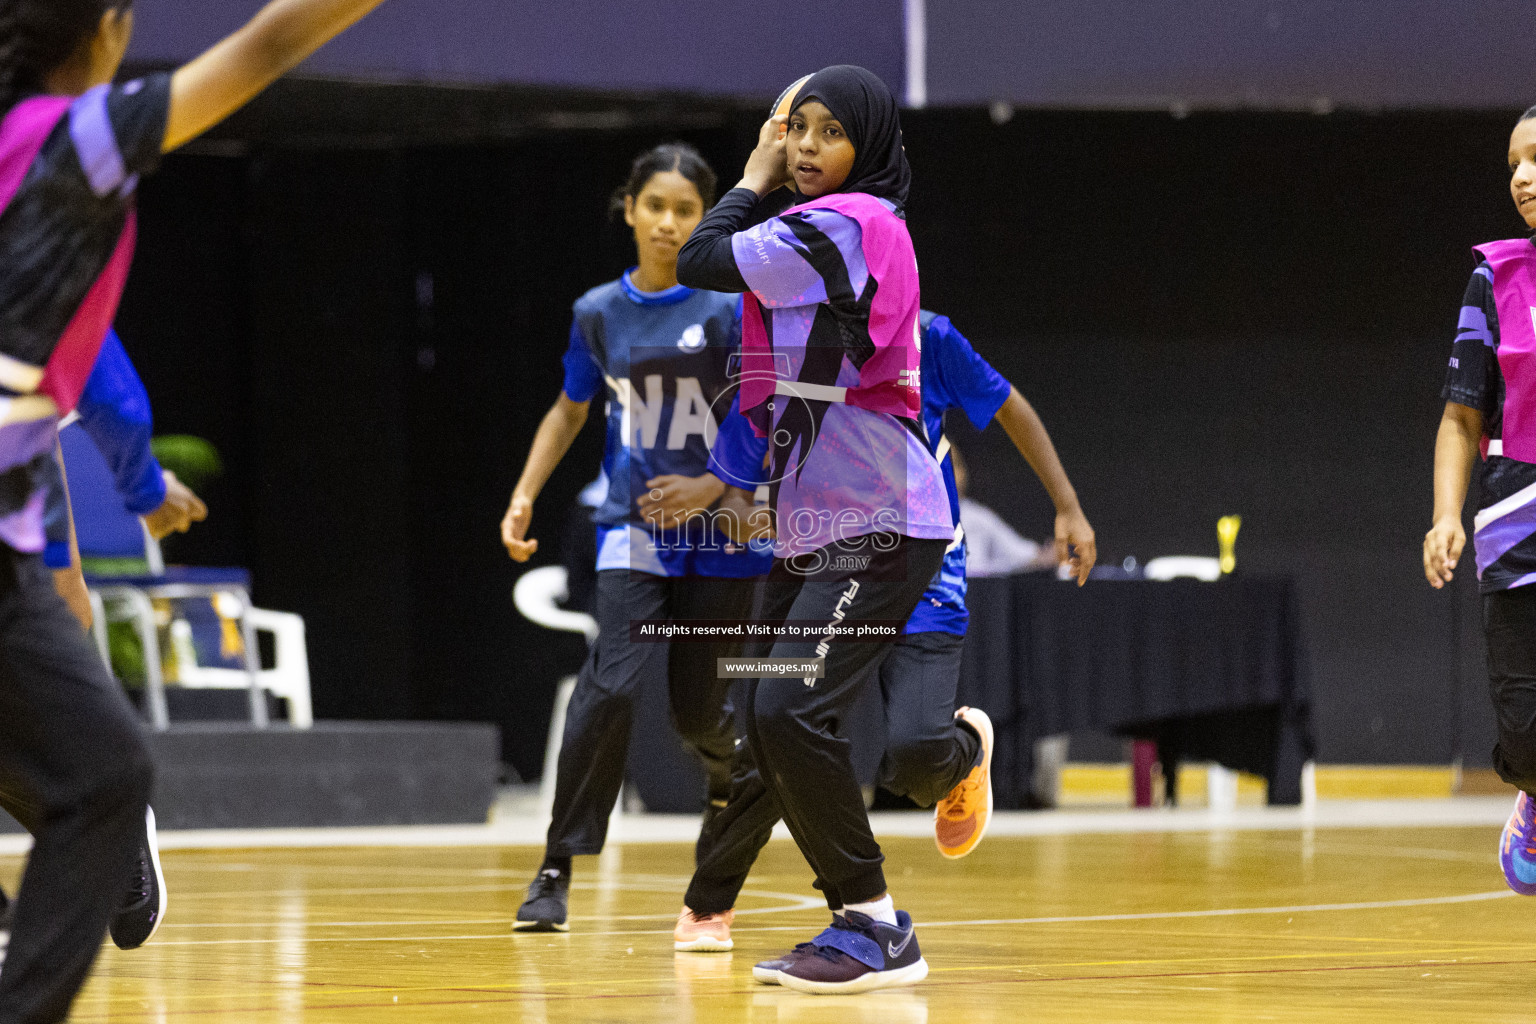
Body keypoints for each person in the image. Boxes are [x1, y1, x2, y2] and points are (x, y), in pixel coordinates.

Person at [0, 1, 389, 1018]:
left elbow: (96, 382)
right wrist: (136, 487)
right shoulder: (80, 138)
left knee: (86, 742)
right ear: (110, 31)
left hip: (17, 486)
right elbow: (265, 43)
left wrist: (131, 488)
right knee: (101, 768)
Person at [674, 310, 1097, 971]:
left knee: (914, 759)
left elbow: (1010, 405)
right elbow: (738, 474)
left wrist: (1067, 504)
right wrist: (741, 513)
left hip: (919, 568)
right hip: (825, 567)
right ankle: (711, 902)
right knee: (776, 725)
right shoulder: (779, 342)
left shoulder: (929, 336)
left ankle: (962, 752)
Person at [671, 65, 955, 994]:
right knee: (766, 713)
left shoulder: (855, 224)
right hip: (812, 521)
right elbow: (777, 387)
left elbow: (703, 257)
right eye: (794, 128)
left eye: (828, 133)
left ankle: (875, 926)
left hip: (878, 520)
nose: (803, 146)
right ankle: (858, 920)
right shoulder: (812, 240)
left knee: (787, 707)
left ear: (865, 149)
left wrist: (750, 171)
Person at [500, 143, 770, 932]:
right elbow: (568, 410)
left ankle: (732, 782)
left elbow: (762, 413)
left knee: (698, 716)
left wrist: (717, 489)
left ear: (705, 219)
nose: (668, 222)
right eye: (655, 206)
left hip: (723, 529)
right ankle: (555, 865)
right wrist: (524, 493)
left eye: (686, 210)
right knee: (611, 683)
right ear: (629, 209)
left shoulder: (726, 308)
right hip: (635, 524)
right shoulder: (598, 312)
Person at [1425, 104, 1536, 897]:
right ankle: (1532, 791)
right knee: (1526, 735)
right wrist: (1445, 515)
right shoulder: (1494, 277)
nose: (1522, 177)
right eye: (1512, 164)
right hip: (1514, 531)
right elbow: (1463, 415)